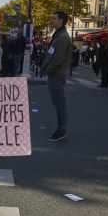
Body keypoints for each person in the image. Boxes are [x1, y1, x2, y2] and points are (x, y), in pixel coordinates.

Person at [41, 11, 71, 142]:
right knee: (59, 102)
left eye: (54, 18)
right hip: (55, 73)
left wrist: (48, 70)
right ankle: (61, 129)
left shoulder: (63, 37)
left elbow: (58, 59)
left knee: (59, 103)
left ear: (61, 21)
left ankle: (61, 130)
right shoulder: (59, 36)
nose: (51, 20)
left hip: (56, 74)